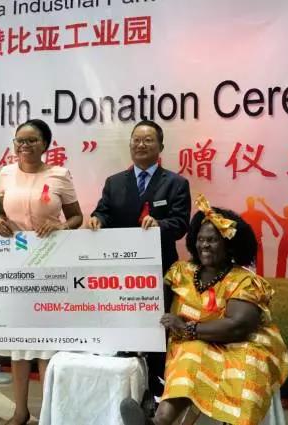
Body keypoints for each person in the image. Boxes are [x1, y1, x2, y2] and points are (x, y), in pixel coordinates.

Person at [120, 195, 288, 425]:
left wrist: (187, 328)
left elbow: (238, 327)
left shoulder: (243, 280)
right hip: (192, 342)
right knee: (191, 355)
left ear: (228, 244)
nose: (204, 245)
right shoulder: (181, 272)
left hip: (239, 345)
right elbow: (153, 305)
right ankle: (156, 423)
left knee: (242, 364)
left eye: (212, 240)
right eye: (200, 239)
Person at [0, 119, 84, 425]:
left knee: (45, 344)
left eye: (32, 140)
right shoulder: (5, 174)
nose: (25, 145)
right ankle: (20, 411)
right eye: (20, 140)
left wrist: (61, 226)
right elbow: (1, 214)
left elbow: (77, 217)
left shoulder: (59, 175)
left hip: (50, 265)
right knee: (19, 343)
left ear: (45, 144)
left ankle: (47, 414)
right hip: (14, 265)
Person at [88, 120, 191, 398]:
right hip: (122, 270)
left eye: (148, 140)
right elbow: (104, 212)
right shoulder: (115, 182)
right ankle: (123, 390)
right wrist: (97, 219)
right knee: (124, 326)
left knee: (158, 329)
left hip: (159, 269)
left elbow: (181, 224)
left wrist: (160, 225)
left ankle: (157, 393)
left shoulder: (176, 183)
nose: (140, 145)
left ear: (160, 146)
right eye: (136, 140)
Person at [240, 196, 279, 276]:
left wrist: (274, 230)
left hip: (257, 238)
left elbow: (268, 220)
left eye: (251, 203)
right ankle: (245, 275)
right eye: (249, 203)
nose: (250, 204)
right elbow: (237, 224)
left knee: (258, 257)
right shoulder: (244, 214)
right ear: (247, 204)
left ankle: (259, 275)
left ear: (253, 204)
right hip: (247, 238)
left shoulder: (258, 213)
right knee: (246, 256)